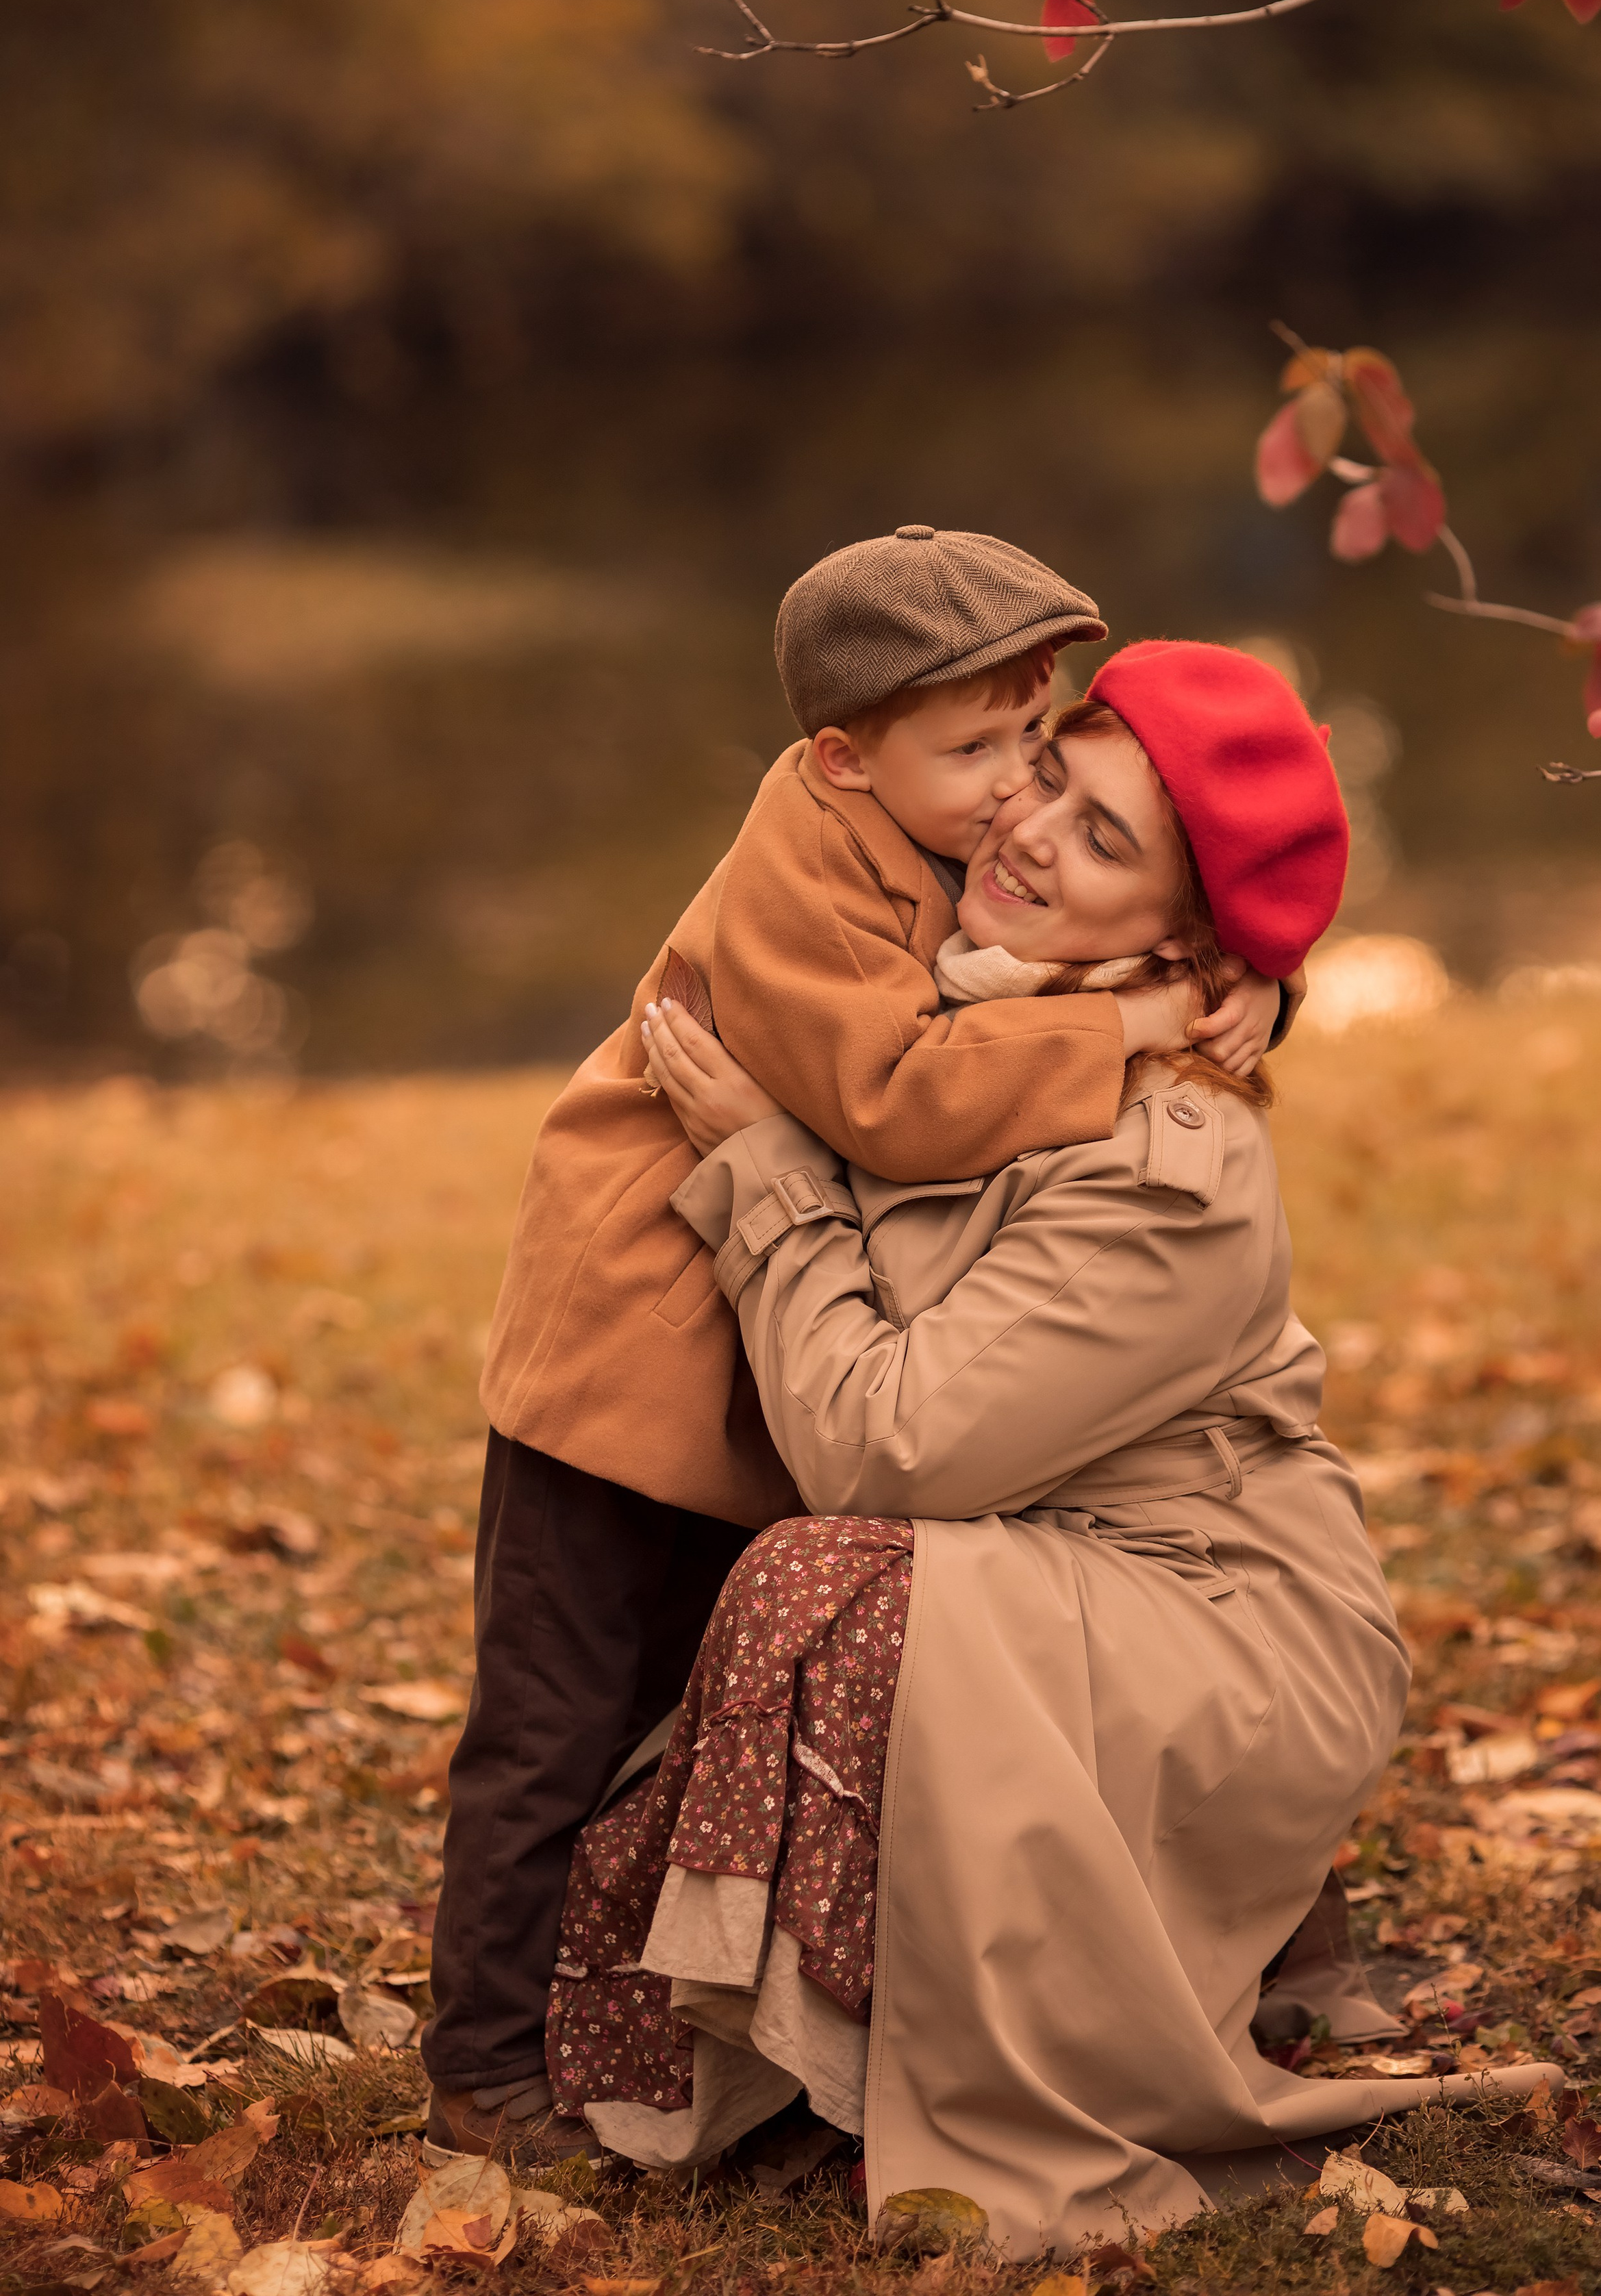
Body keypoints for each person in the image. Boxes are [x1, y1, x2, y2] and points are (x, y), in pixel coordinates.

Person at [546, 641, 1561, 2254]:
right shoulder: (958, 1016)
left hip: (1217, 1617)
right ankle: (842, 2038)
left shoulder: (1170, 1159)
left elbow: (888, 1451)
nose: (1022, 830)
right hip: (1039, 1544)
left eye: (1101, 840)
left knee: (835, 1586)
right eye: (1044, 775)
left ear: (1176, 939)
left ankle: (925, 2050)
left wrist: (764, 1173)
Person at [423, 534, 1297, 2165]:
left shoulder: (928, 828)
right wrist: (1138, 1022)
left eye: (1034, 747)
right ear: (844, 756)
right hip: (625, 1368)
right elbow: (902, 1104)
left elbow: (1094, 925)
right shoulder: (801, 874)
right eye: (974, 755)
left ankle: (629, 2015)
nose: (1013, 797)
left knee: (670, 1715)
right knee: (551, 1718)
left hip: (742, 1380)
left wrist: (1243, 973)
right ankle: (479, 2067)